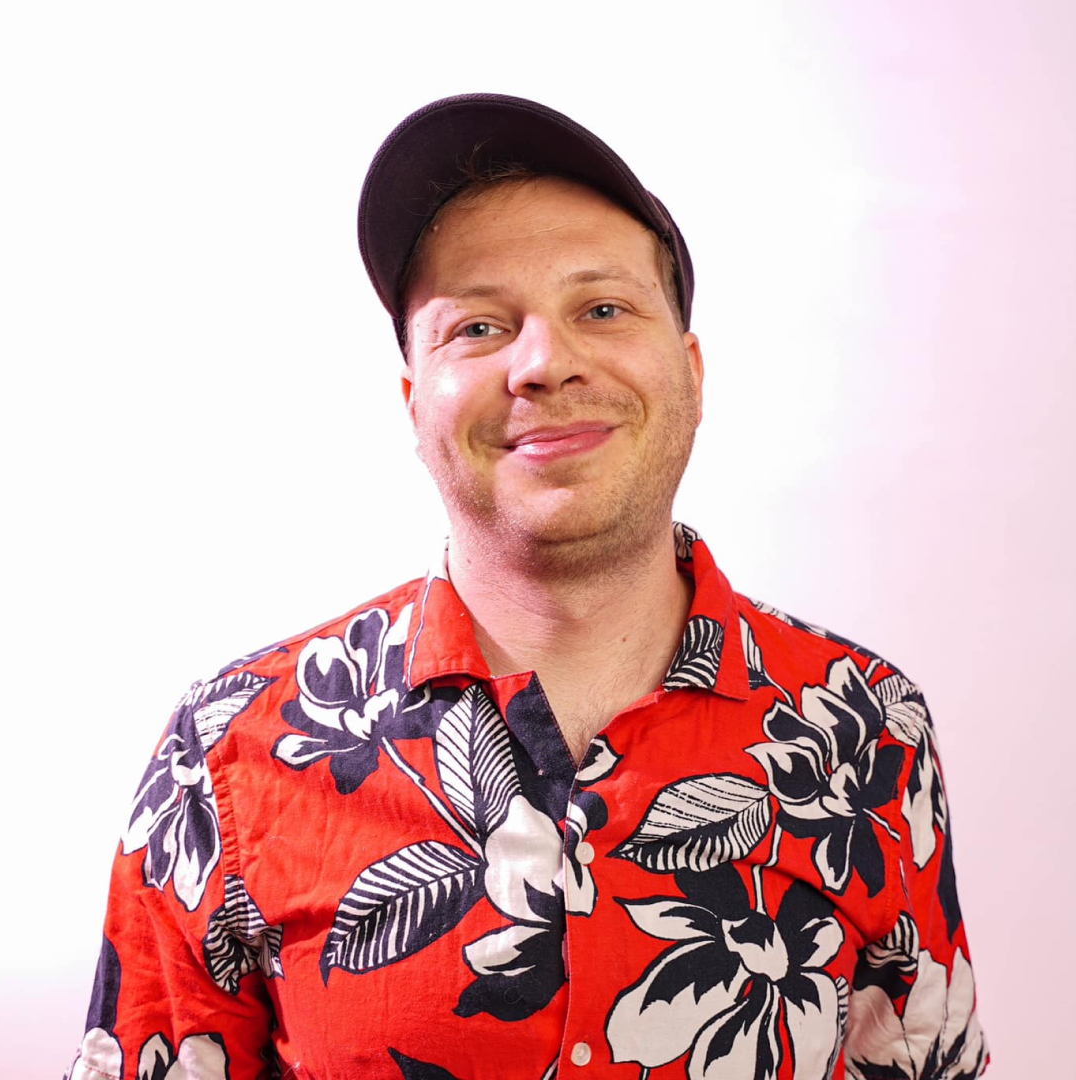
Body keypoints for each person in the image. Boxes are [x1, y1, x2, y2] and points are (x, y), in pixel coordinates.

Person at [66, 93, 988, 1080]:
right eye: (478, 326)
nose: (544, 363)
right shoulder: (228, 751)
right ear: (414, 401)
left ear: (691, 374)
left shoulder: (867, 728)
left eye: (602, 309)